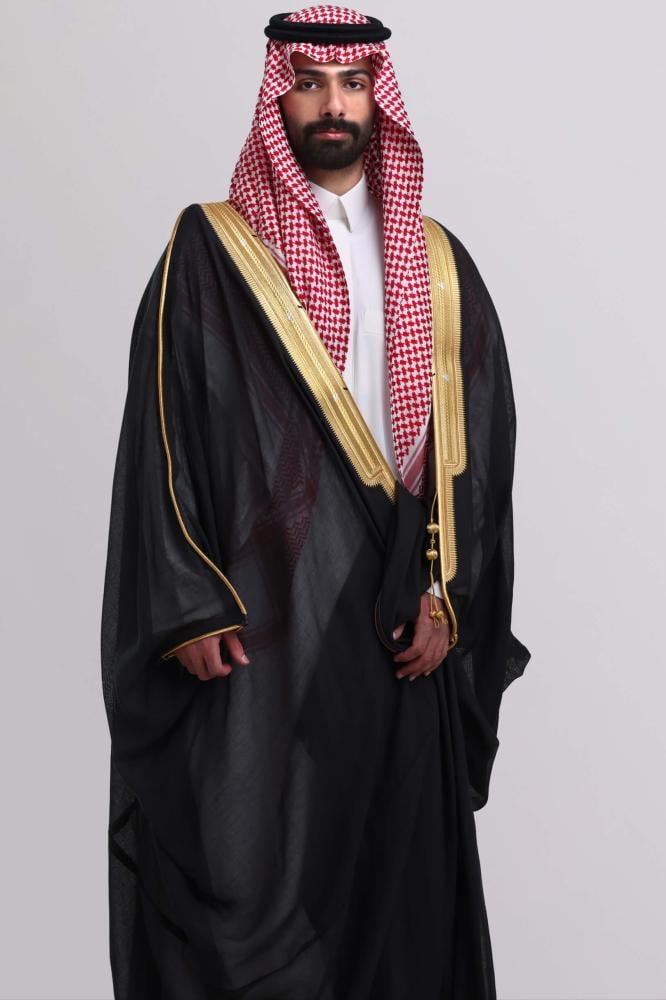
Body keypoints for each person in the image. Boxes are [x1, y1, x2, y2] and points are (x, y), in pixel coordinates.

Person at [100, 6, 531, 998]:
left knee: (400, 880)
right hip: (262, 618)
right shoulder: (212, 252)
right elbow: (163, 423)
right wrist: (189, 602)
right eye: (307, 83)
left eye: (352, 83)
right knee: (255, 868)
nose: (332, 104)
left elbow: (480, 446)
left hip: (398, 618)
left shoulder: (438, 262)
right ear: (278, 99)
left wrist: (448, 593)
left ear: (379, 98)